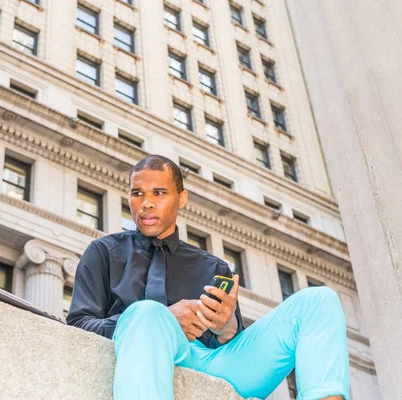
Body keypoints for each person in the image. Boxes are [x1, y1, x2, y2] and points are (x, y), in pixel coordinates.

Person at [67, 155, 350, 400]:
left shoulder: (213, 266)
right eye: (137, 193)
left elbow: (233, 346)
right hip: (138, 351)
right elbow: (79, 324)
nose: (146, 204)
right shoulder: (103, 251)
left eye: (159, 193)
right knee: (148, 313)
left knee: (320, 299)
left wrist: (226, 327)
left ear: (182, 198)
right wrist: (162, 321)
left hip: (209, 361)